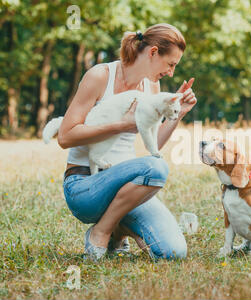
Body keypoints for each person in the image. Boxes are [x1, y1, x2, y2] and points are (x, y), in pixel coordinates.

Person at [57, 23, 197, 261]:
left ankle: (119, 228)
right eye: (170, 64)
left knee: (173, 252)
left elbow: (154, 144)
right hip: (85, 185)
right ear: (153, 52)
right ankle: (101, 232)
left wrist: (179, 113)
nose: (171, 73)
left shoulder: (151, 86)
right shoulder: (100, 76)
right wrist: (120, 125)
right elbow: (65, 136)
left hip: (128, 188)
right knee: (157, 166)